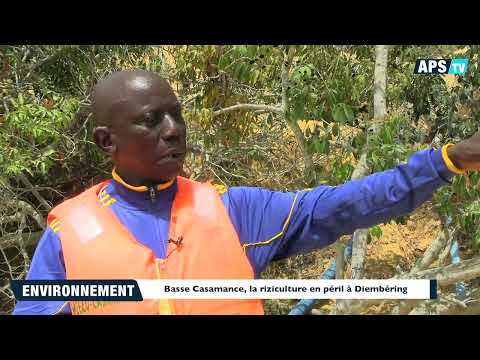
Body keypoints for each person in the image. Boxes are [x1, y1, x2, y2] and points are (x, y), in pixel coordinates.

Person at [11, 70, 480, 315]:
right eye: (152, 120)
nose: (174, 131)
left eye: (176, 115)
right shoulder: (69, 232)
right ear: (106, 141)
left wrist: (448, 160)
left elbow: (345, 204)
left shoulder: (233, 211)